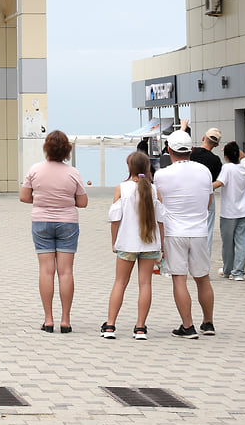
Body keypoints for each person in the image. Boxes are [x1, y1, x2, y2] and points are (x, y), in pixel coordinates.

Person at [20, 129, 88, 332]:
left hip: (41, 222)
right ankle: (65, 320)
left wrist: (42, 200)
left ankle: (48, 319)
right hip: (68, 222)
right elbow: (82, 202)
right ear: (67, 150)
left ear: (46, 148)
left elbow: (24, 197)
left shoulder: (35, 170)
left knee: (46, 271)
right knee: (66, 272)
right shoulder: (73, 173)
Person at [154, 129, 216, 338]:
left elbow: (159, 204)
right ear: (191, 149)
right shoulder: (204, 171)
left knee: (179, 279)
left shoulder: (161, 175)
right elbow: (208, 201)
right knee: (202, 278)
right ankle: (208, 323)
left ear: (169, 150)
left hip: (174, 232)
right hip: (199, 231)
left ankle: (187, 326)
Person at [102, 151, 165, 339]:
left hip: (127, 243)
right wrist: (161, 245)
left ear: (129, 167)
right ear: (148, 167)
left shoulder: (122, 188)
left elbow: (115, 219)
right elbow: (161, 220)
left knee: (120, 283)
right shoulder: (154, 190)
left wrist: (114, 242)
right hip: (150, 244)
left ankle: (110, 326)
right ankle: (140, 328)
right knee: (145, 284)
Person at [214, 141, 245, 281]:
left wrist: (204, 186)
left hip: (229, 212)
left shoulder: (227, 168)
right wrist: (235, 151)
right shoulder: (244, 167)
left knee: (228, 243)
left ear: (226, 156)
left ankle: (227, 270)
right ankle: (238, 272)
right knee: (242, 242)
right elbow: (244, 156)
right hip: (244, 211)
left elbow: (219, 183)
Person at [190, 128, 224, 254]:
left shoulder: (191, 153)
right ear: (216, 144)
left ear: (203, 138)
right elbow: (217, 181)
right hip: (206, 197)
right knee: (207, 229)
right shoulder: (216, 161)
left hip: (189, 195)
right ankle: (204, 262)